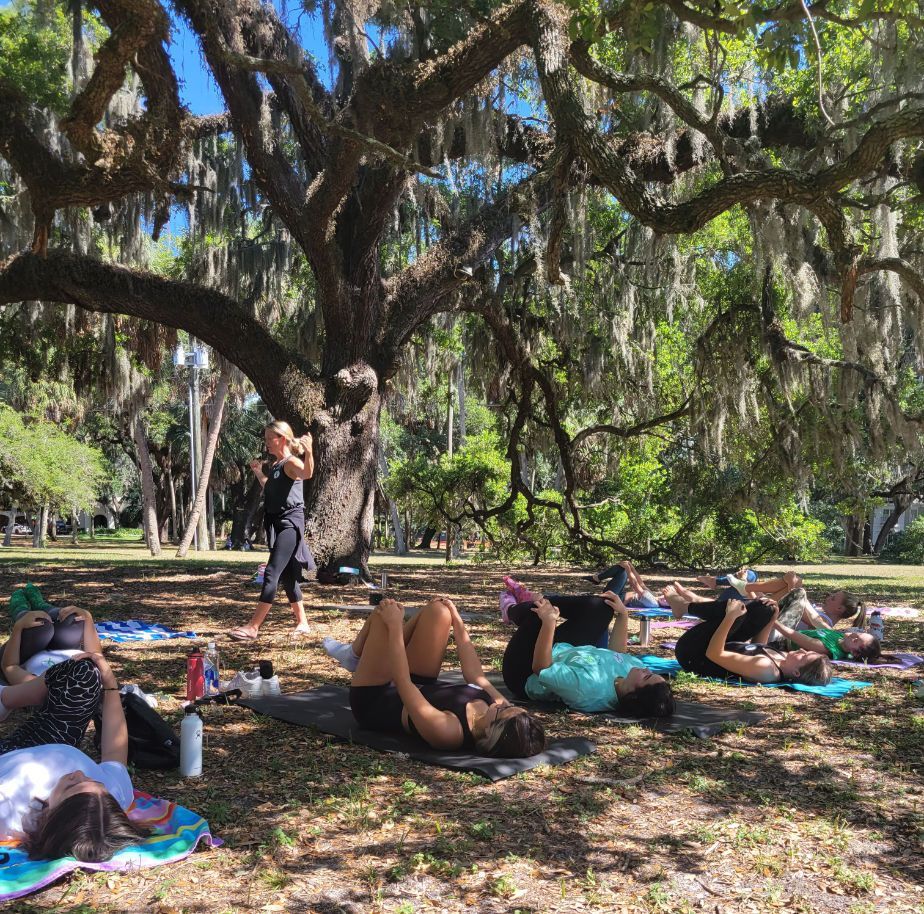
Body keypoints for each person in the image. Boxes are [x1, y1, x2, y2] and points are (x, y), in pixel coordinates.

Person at [343, 597, 546, 756]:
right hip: (417, 683)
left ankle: (354, 656)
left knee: (382, 616)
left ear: (492, 732)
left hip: (375, 697)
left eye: (503, 711)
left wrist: (395, 626)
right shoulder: (499, 709)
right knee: (438, 612)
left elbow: (404, 682)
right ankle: (359, 656)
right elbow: (476, 676)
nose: (503, 704)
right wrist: (457, 621)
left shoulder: (449, 732)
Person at [0, 652, 149, 860]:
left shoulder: (9, 808)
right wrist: (110, 686)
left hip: (8, 753)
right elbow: (114, 751)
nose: (79, 773)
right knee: (86, 670)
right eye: (93, 780)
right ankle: (6, 698)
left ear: (51, 816)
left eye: (71, 786)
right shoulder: (106, 801)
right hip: (52, 740)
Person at [502, 591, 675, 717]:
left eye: (646, 677)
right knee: (601, 607)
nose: (645, 670)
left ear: (632, 694)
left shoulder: (586, 689)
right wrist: (623, 615)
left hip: (525, 670)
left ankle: (511, 610)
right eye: (650, 673)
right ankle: (540, 600)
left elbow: (541, 667)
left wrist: (549, 622)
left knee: (537, 612)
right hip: (562, 649)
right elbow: (617, 656)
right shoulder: (629, 677)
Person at [230, 420, 316, 641]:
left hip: (290, 524)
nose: (267, 443)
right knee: (288, 576)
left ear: (283, 439)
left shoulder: (291, 462)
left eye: (271, 439)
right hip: (277, 524)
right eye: (266, 439)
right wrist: (258, 472)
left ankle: (253, 627)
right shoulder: (278, 465)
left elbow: (306, 473)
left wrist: (309, 452)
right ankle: (303, 623)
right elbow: (270, 487)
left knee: (271, 573)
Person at [674, 598, 832, 685]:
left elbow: (714, 654)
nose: (802, 651)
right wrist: (772, 618)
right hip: (718, 644)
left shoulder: (767, 670)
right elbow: (757, 646)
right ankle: (685, 607)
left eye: (804, 656)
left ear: (797, 672)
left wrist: (730, 617)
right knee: (764, 608)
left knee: (736, 611)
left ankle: (684, 607)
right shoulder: (784, 659)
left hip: (694, 653)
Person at [2, 605, 102, 684]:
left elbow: (9, 666)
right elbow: (95, 653)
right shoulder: (91, 678)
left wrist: (18, 626)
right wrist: (87, 616)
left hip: (23, 653)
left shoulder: (40, 686)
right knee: (73, 618)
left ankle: (20, 608)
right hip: (63, 645)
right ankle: (42, 605)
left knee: (38, 625)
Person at [772, 619, 881, 662]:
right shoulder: (839, 637)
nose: (854, 635)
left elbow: (791, 635)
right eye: (859, 634)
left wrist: (772, 619)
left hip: (778, 639)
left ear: (854, 652)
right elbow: (813, 619)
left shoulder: (826, 648)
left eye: (856, 641)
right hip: (782, 631)